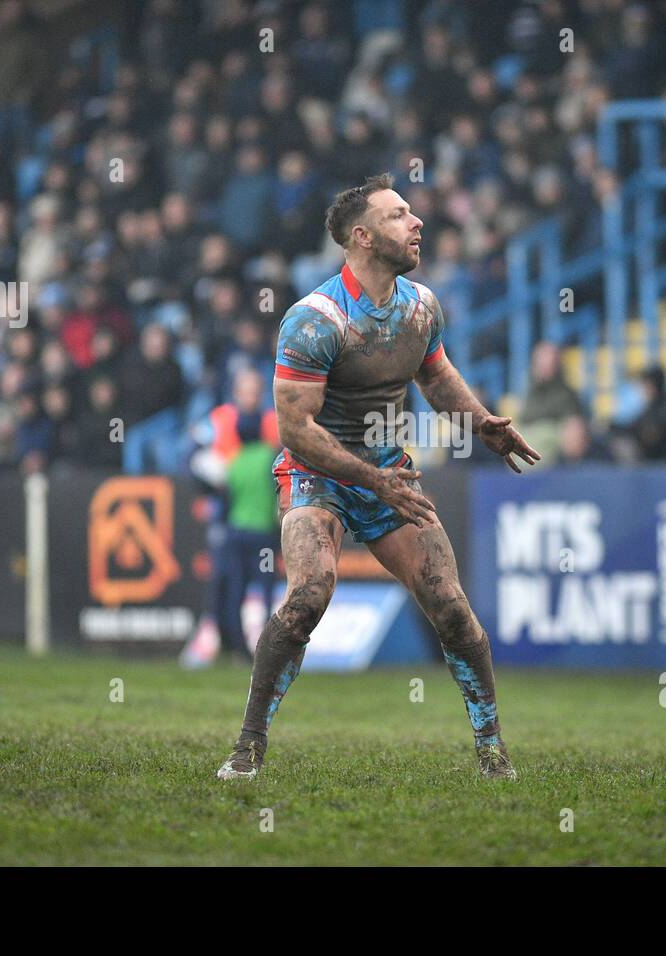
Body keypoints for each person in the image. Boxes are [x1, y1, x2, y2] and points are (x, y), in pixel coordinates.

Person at [216, 173, 540, 782]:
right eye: (399, 216)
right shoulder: (313, 320)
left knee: (450, 606)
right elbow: (296, 430)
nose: (417, 223)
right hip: (319, 472)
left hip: (389, 473)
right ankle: (248, 745)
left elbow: (437, 377)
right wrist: (371, 477)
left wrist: (480, 423)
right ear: (362, 238)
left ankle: (493, 753)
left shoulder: (421, 307)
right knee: (311, 594)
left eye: (412, 213)